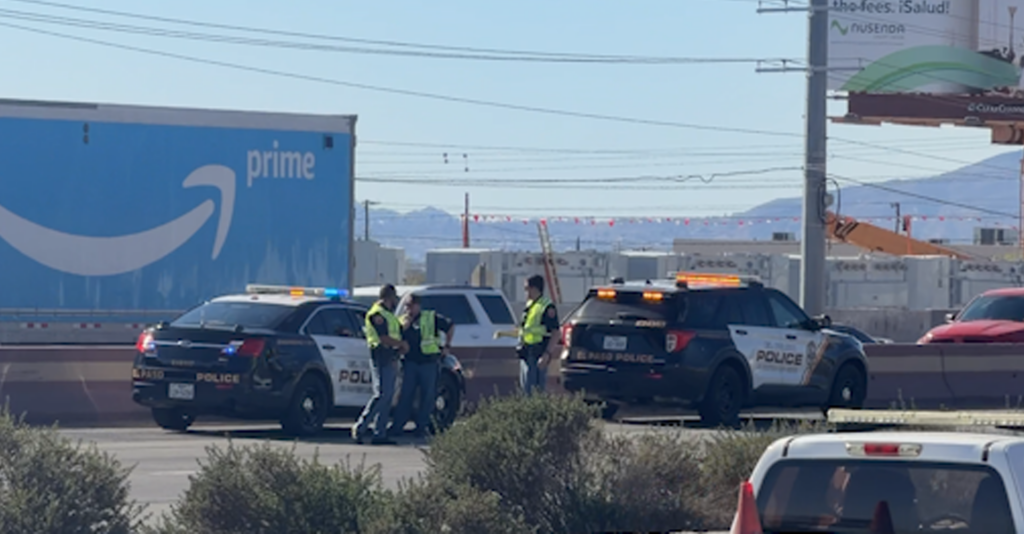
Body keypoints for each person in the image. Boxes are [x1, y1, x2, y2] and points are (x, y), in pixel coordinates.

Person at [389, 294, 454, 438]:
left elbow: (450, 326)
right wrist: (404, 328)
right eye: (406, 305)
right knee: (406, 395)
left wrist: (447, 346)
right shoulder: (401, 321)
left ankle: (421, 427)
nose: (408, 309)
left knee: (427, 396)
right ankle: (398, 426)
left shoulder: (430, 317)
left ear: (418, 305)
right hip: (410, 362)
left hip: (429, 362)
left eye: (411, 305)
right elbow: (395, 338)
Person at [353, 284, 408, 445]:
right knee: (382, 394)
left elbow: (396, 330)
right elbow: (384, 338)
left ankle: (380, 433)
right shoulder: (377, 314)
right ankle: (361, 426)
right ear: (387, 297)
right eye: (393, 299)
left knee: (388, 395)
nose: (394, 302)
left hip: (390, 356)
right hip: (381, 355)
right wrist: (401, 344)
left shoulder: (388, 314)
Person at [516, 275, 560, 394]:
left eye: (527, 288)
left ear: (534, 288)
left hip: (538, 355)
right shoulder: (530, 305)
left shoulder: (547, 307)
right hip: (526, 353)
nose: (525, 292)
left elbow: (556, 333)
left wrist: (547, 354)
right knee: (526, 391)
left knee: (536, 392)